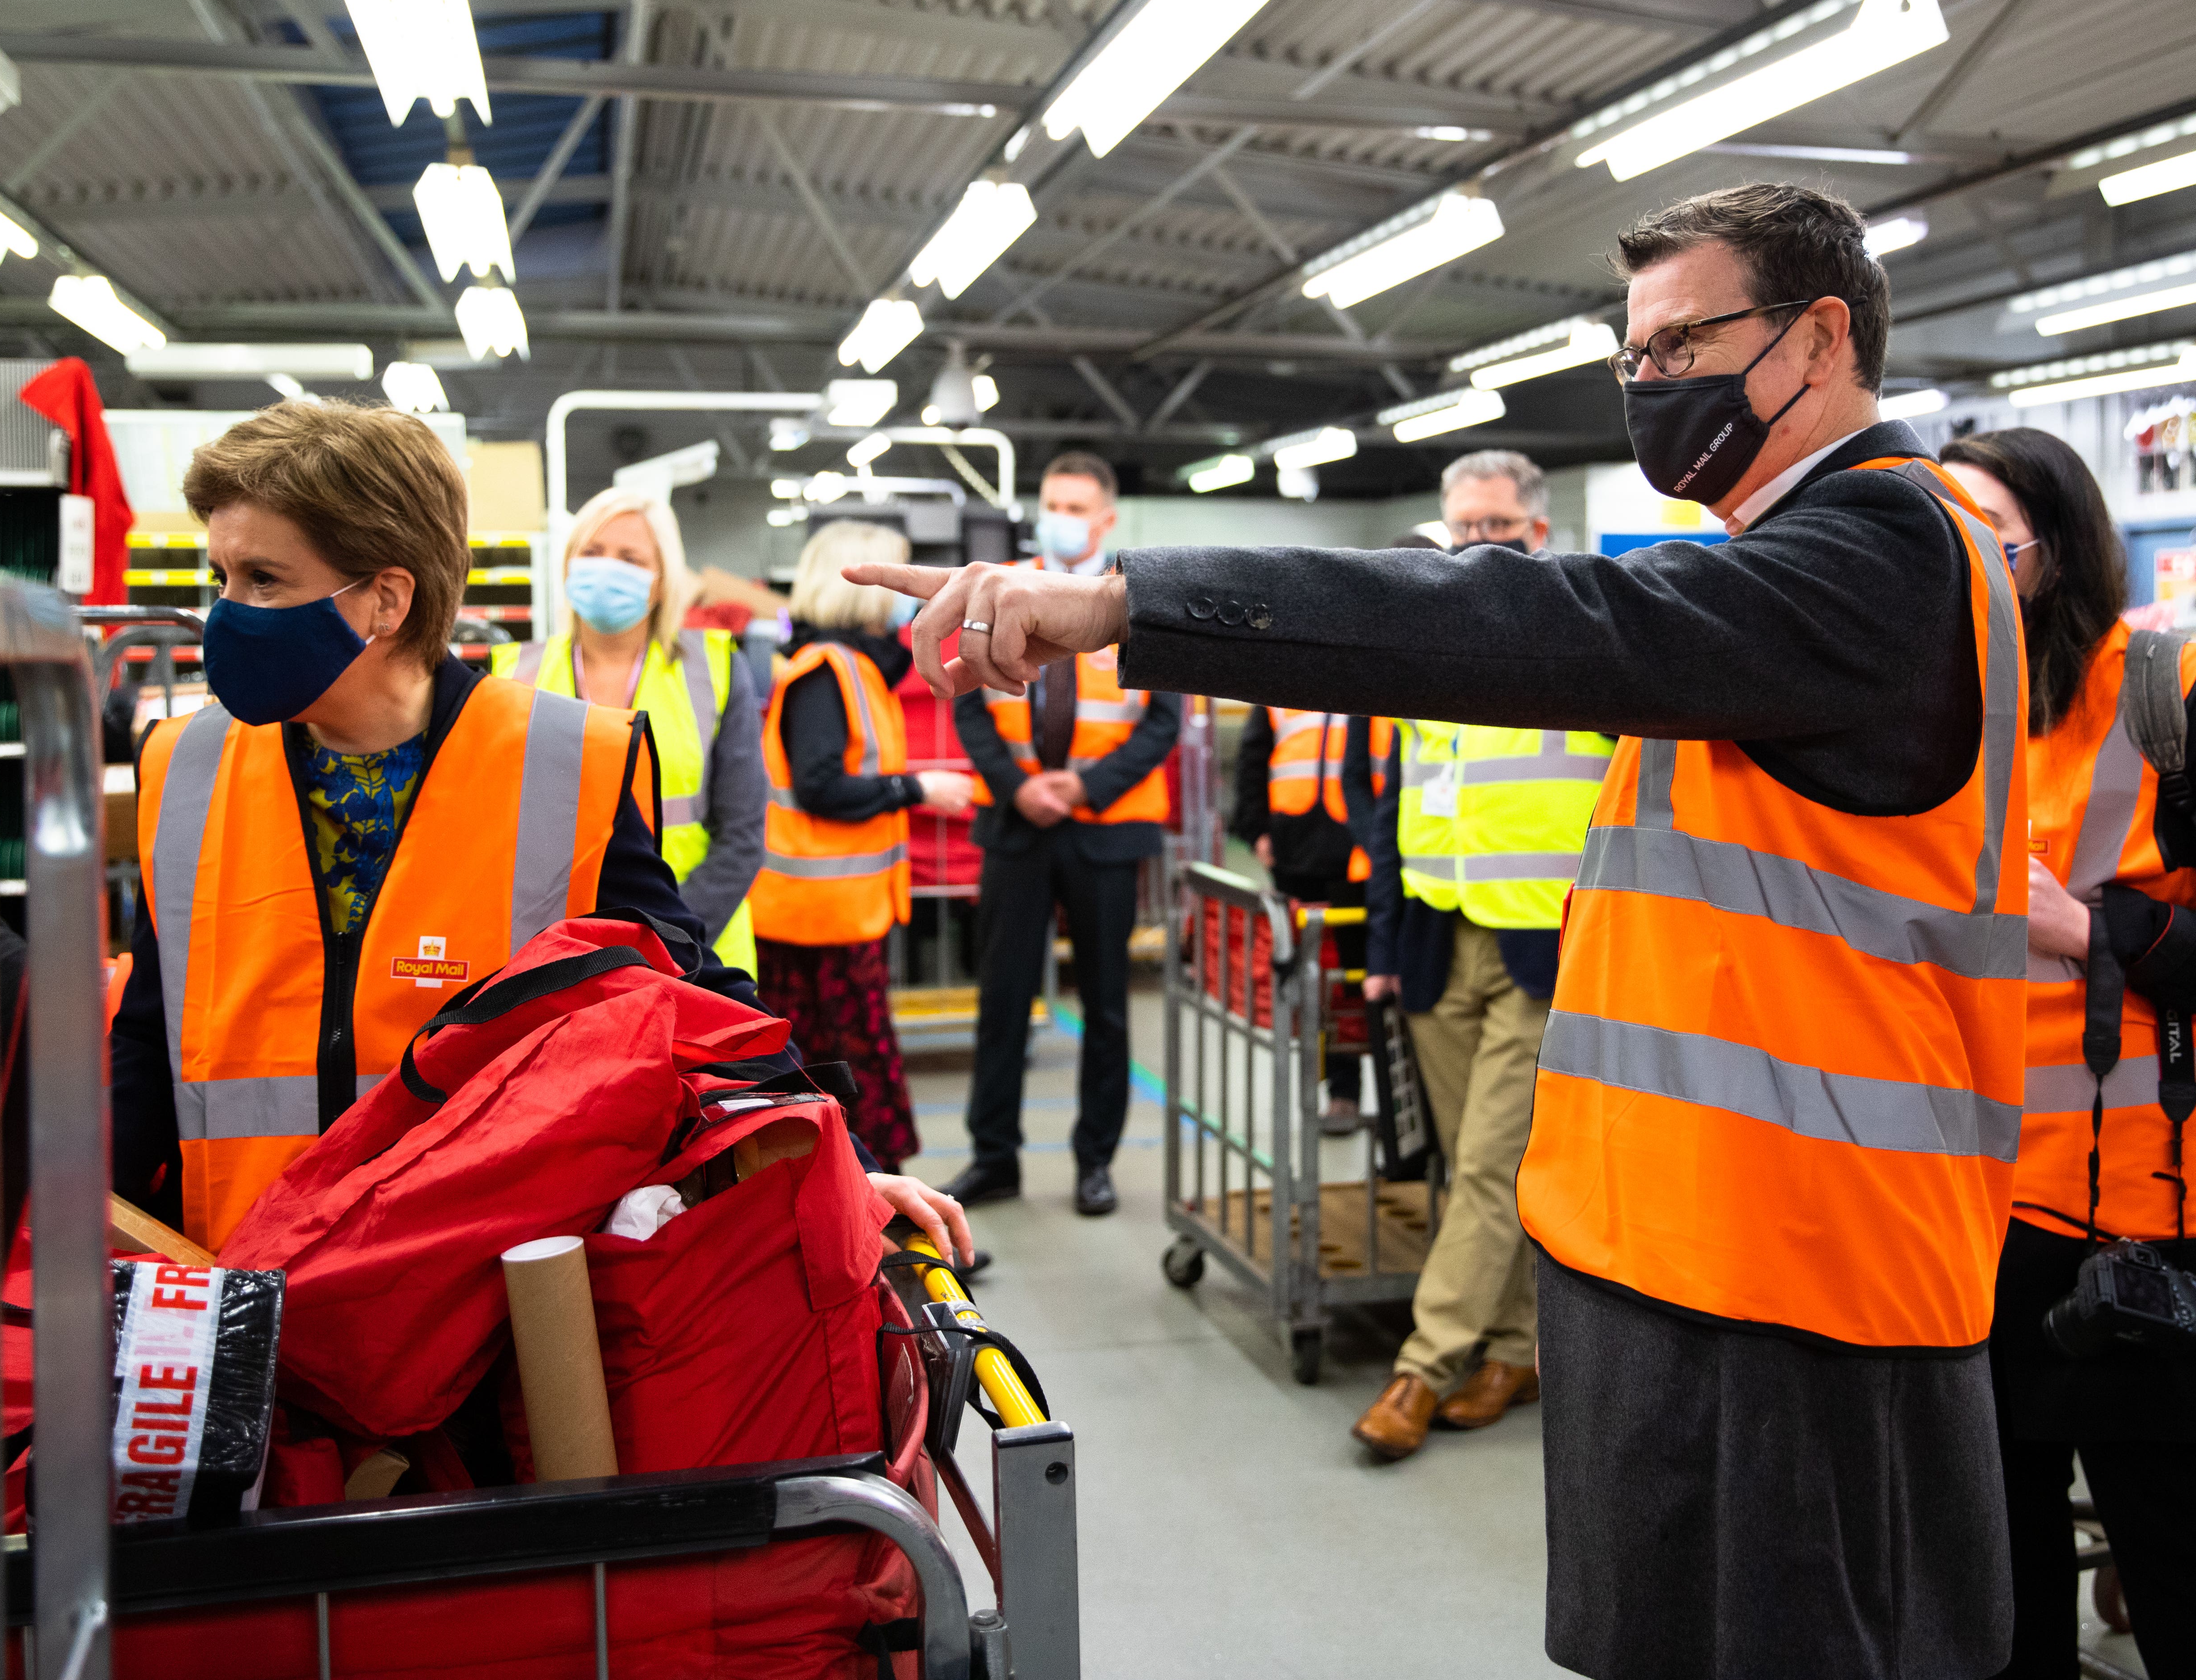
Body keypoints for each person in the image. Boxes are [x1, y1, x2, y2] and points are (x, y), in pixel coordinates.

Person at [860, 182, 2031, 1679]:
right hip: (1699, 1248)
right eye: (1634, 353)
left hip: (1802, 1281)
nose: (1647, 384)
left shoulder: (1883, 550)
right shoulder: (1803, 565)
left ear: (1818, 339)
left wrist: (1118, 602)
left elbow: (1540, 624)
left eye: (1685, 343)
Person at [110, 400, 968, 1263]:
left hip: (466, 1300)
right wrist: (55, 1234)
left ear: (386, 600)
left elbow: (688, 1002)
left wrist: (837, 1163)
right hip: (239, 1282)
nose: (227, 612)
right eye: (219, 577)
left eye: (263, 580)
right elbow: (150, 1042)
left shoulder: (566, 767)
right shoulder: (186, 769)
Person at [1938, 427, 2196, 1680]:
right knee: (1994, 1518)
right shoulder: (1939, 703)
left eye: (1986, 540)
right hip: (1976, 1193)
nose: (1961, 568)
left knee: (2161, 1515)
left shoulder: (2177, 691)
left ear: (2051, 549)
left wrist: (2089, 924)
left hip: (2146, 1209)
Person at [1347, 450, 1612, 1462]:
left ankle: (1424, 1362)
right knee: (1474, 1166)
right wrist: (1381, 943)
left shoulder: (1584, 648)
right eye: (1465, 526)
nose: (1479, 544)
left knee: (1496, 1160)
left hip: (1544, 944)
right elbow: (1392, 808)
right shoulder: (1421, 653)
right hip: (1434, 940)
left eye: (1499, 528)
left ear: (1537, 536)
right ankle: (1514, 1346)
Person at [944, 452, 1182, 1218]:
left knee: (1107, 1005)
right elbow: (969, 702)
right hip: (1017, 825)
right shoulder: (999, 588)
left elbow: (1161, 721)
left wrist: (1083, 785)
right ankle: (994, 1159)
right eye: (1053, 503)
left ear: (1106, 519)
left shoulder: (1144, 601)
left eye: (1077, 506)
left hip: (1104, 830)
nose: (1063, 516)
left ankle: (1094, 1162)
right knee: (1002, 999)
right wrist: (1019, 787)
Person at [747, 522, 976, 1173]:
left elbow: (904, 659)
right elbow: (821, 785)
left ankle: (875, 1213)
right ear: (866, 588)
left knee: (843, 1072)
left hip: (833, 914)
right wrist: (916, 787)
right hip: (820, 921)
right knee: (852, 1073)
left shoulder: (851, 664)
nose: (909, 596)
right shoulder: (826, 673)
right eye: (897, 580)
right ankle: (888, 1221)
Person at [491, 488, 762, 973]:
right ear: (568, 566)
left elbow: (742, 836)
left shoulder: (716, 668)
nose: (606, 567)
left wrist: (666, 941)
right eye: (591, 552)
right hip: (552, 957)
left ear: (661, 582)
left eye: (630, 558)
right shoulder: (511, 673)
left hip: (696, 949)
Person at [1228, 699, 1384, 1136]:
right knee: (1309, 983)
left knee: (1358, 982)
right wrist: (1256, 828)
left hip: (1358, 854)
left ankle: (1364, 1095)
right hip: (1294, 850)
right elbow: (1254, 756)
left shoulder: (1380, 668)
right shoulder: (1282, 676)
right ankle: (1324, 1089)